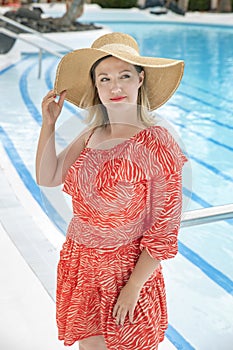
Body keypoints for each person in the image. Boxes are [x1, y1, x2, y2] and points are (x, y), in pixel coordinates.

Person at [36, 32, 188, 350]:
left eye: (124, 76)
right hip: (82, 268)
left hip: (128, 275)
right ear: (96, 86)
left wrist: (133, 287)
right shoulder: (91, 134)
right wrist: (48, 125)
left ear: (140, 79)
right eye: (104, 79)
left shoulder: (157, 143)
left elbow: (163, 233)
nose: (114, 87)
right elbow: (48, 176)